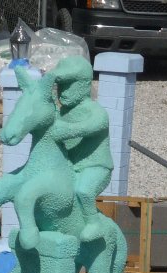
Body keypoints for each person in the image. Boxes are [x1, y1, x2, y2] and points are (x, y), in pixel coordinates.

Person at [48, 55, 113, 243]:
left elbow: (94, 125)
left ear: (84, 86)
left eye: (69, 85)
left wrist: (67, 130)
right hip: (72, 166)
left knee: (83, 191)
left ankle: (94, 223)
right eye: (60, 86)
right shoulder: (61, 112)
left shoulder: (94, 110)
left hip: (95, 166)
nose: (63, 91)